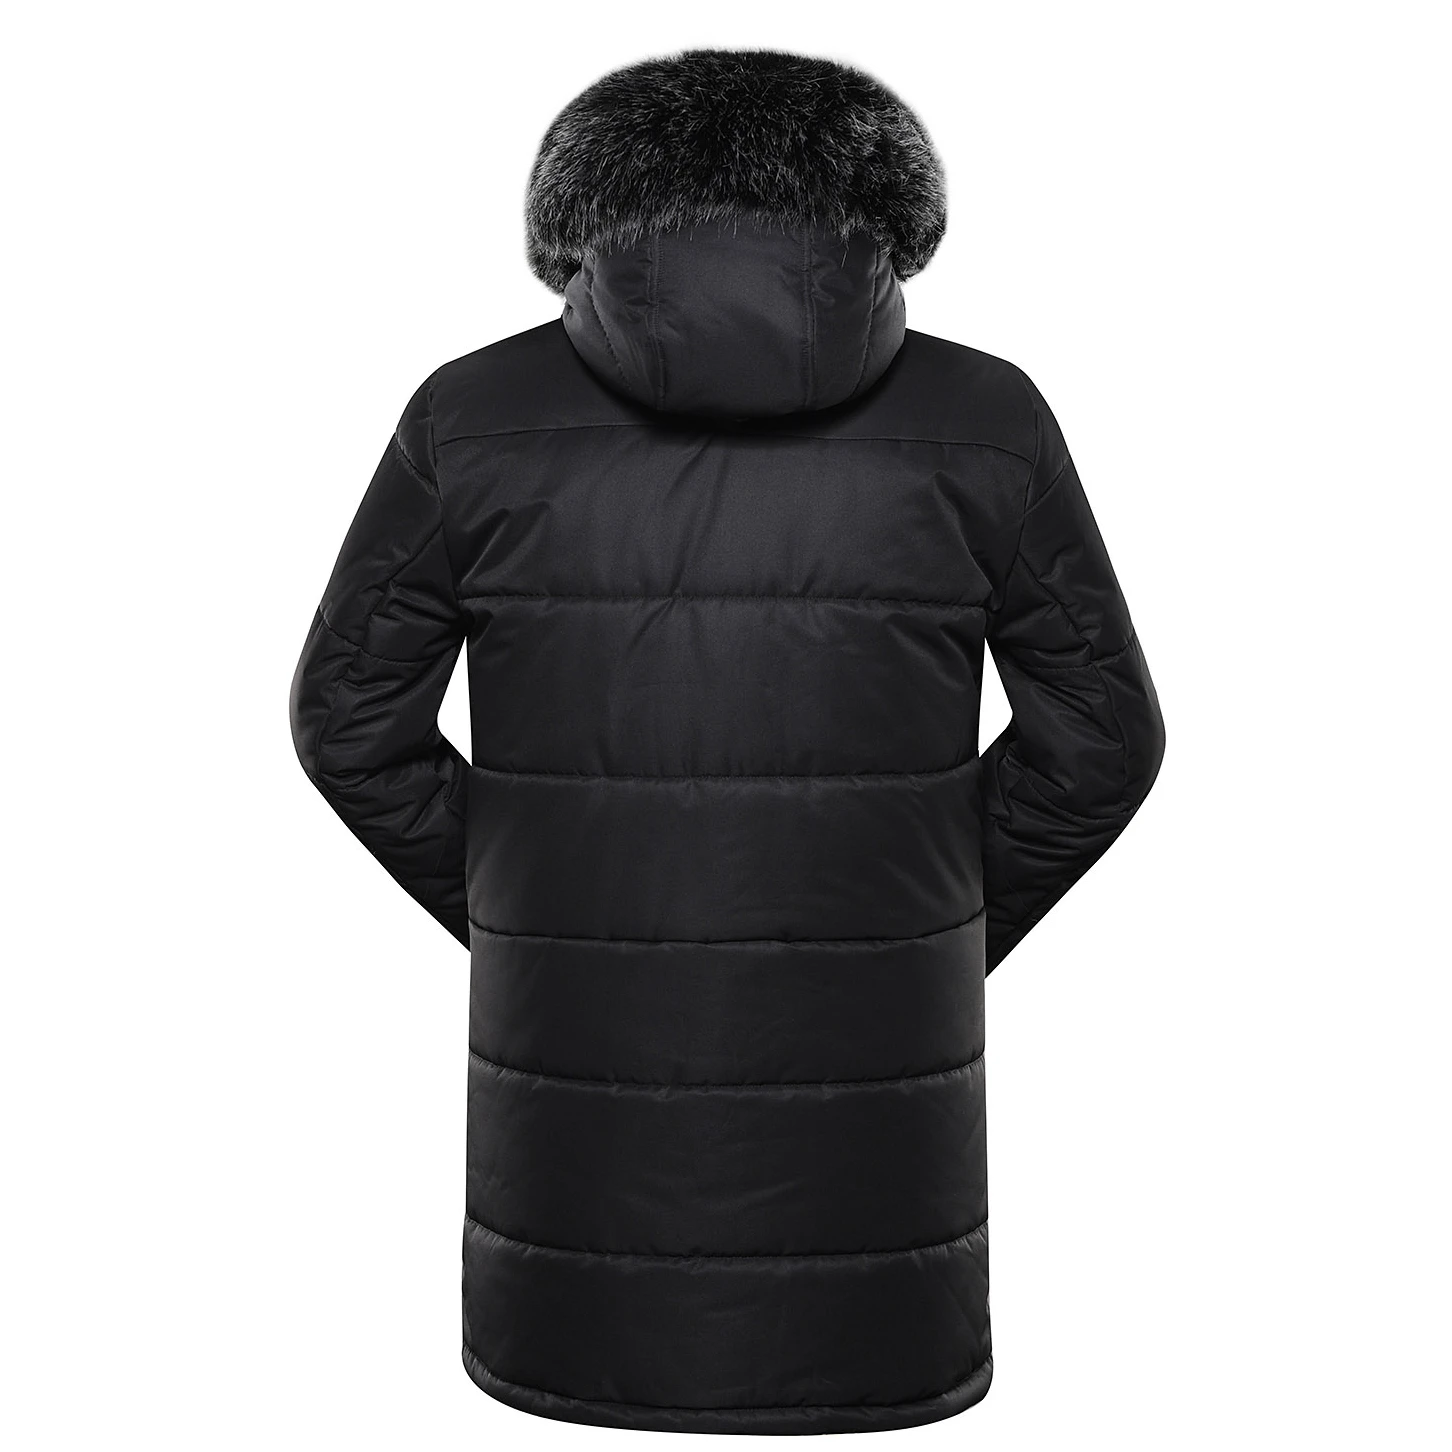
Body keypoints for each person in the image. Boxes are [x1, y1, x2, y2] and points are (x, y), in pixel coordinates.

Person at [290, 47, 1166, 1434]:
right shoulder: (984, 421)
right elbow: (1102, 740)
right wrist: (917, 920)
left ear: (584, 213)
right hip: (883, 1167)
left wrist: (547, 913)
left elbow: (350, 720)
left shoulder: (472, 417)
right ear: (882, 211)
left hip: (570, 1184)